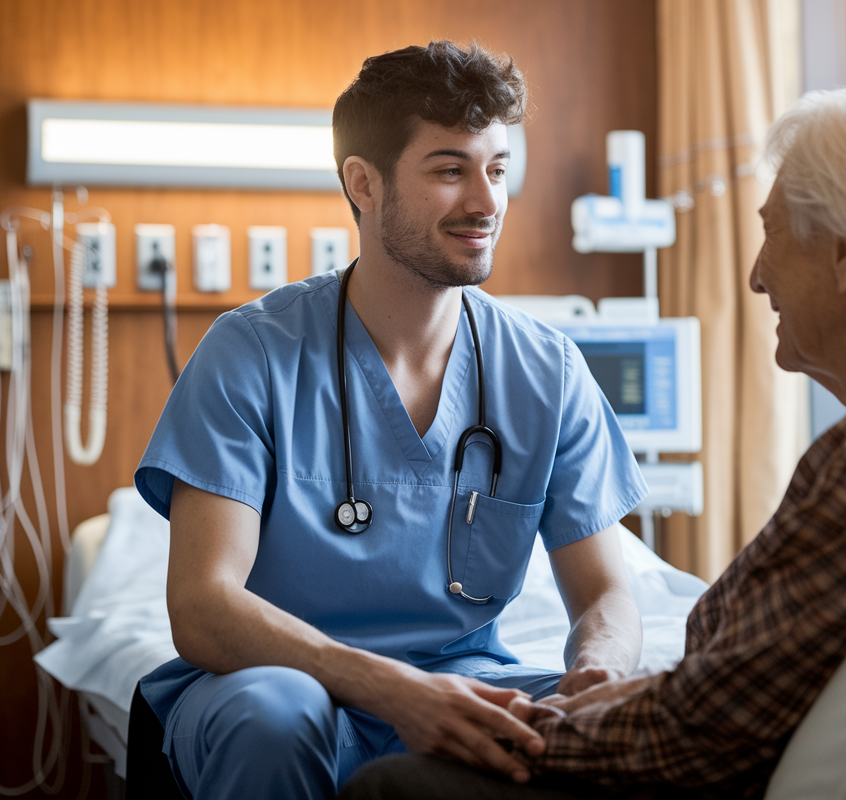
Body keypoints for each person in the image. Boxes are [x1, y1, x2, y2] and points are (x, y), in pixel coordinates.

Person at [337, 83, 846, 800]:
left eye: (776, 233)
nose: (758, 277)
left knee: (393, 787)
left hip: (708, 768)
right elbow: (755, 684)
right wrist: (633, 695)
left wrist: (525, 730)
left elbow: (704, 732)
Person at [131, 40, 649, 800]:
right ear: (364, 183)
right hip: (277, 680)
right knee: (278, 716)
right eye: (450, 170)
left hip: (466, 681)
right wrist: (395, 689)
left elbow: (606, 592)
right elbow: (204, 609)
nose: (486, 202)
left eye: (497, 169)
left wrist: (599, 671)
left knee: (646, 718)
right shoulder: (253, 354)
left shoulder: (545, 370)